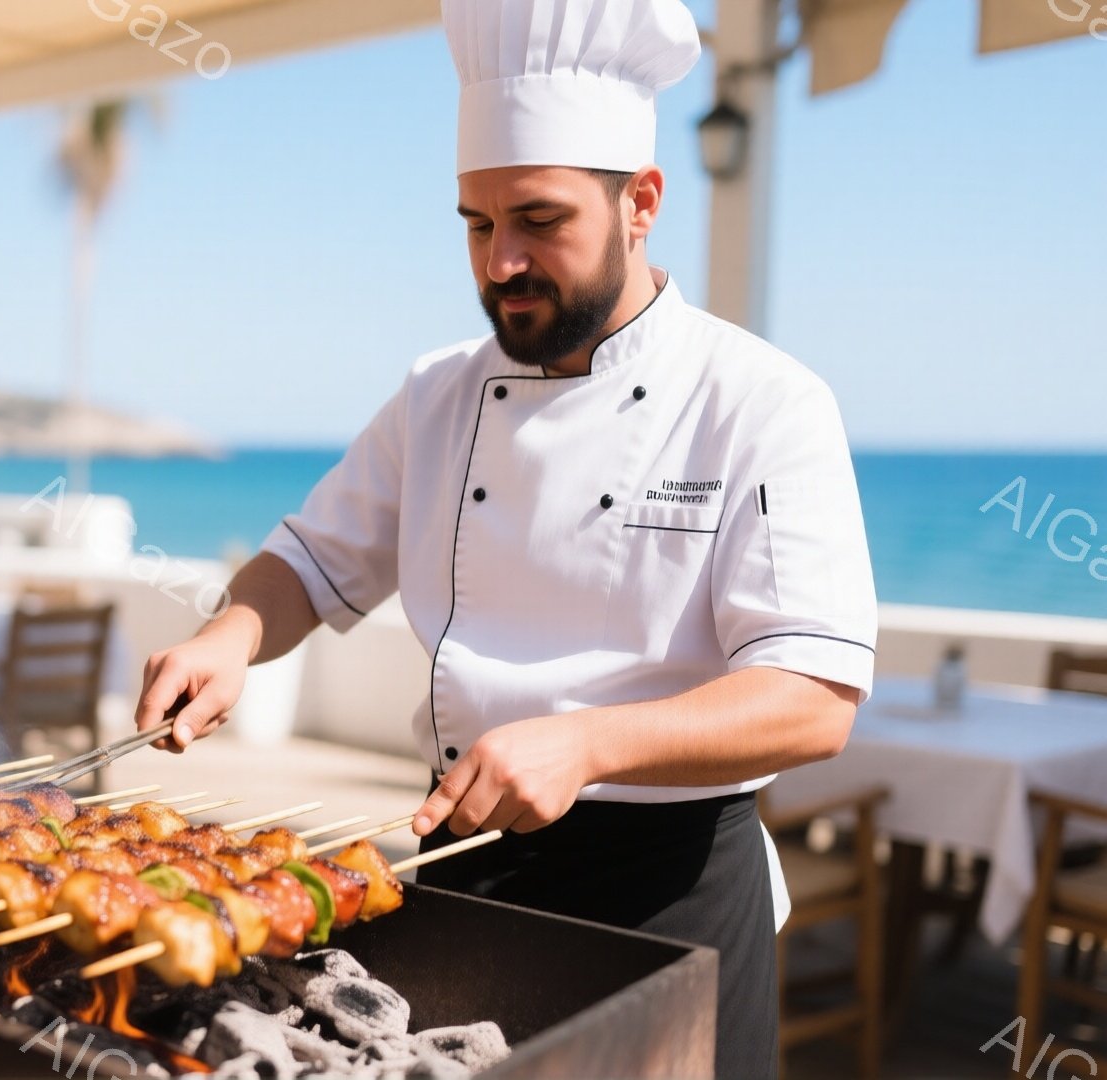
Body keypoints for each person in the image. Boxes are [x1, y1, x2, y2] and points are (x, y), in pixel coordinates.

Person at [130, 0, 878, 1074]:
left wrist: (588, 741)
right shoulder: (438, 394)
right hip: (461, 869)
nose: (503, 263)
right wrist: (231, 636)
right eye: (478, 227)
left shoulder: (762, 401)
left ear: (642, 204)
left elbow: (813, 698)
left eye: (539, 220)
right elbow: (308, 561)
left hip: (670, 901)